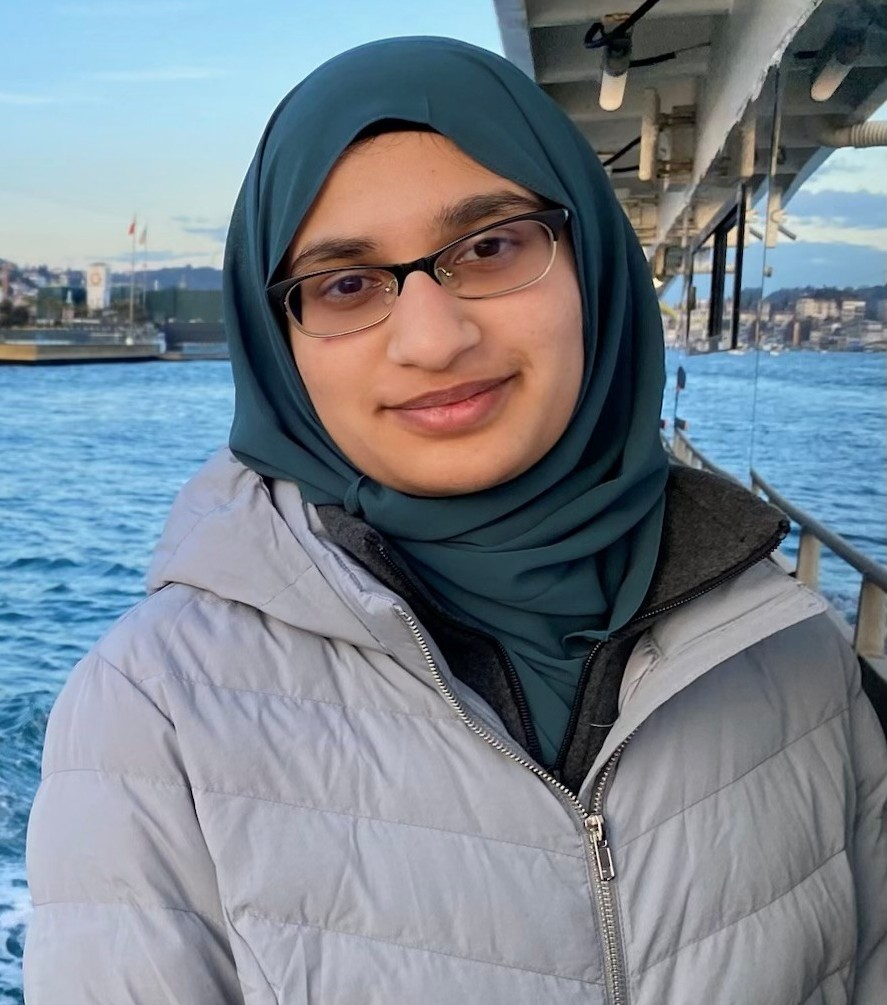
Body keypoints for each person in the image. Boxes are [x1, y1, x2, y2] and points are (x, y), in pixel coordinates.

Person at [24, 37, 887, 1005]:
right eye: (345, 284)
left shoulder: (790, 653)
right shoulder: (155, 715)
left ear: (592, 263)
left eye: (490, 246)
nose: (433, 339)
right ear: (278, 345)